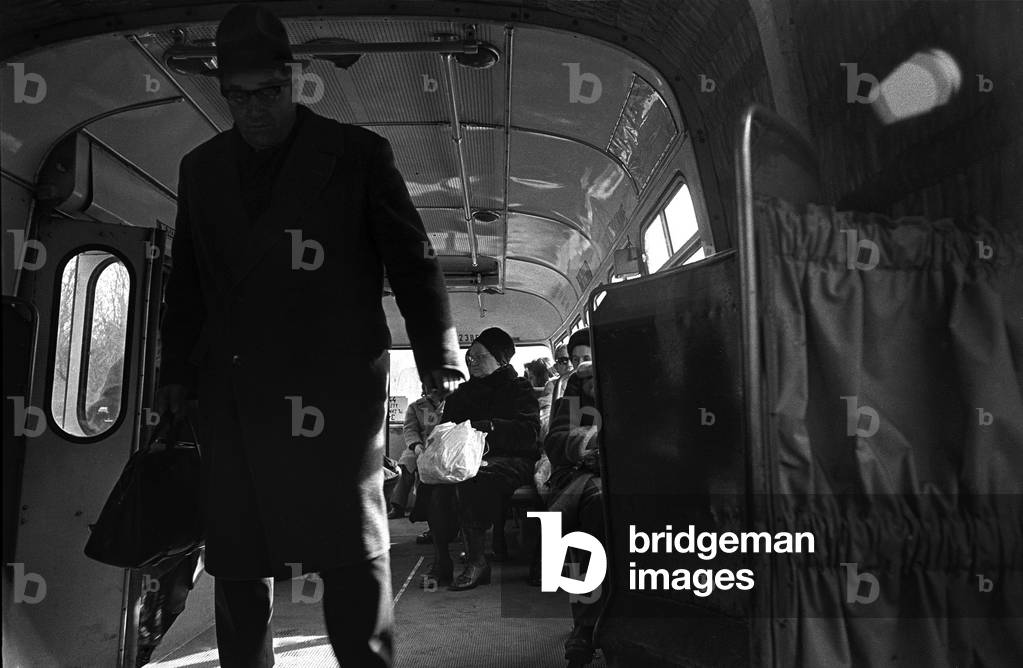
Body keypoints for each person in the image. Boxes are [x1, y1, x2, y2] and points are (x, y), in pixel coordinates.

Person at [154, 5, 462, 667]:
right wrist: (174, 372)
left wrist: (438, 353)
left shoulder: (357, 155)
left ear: (292, 80)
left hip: (333, 387)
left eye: (268, 92)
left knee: (350, 548)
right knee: (239, 555)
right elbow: (189, 283)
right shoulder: (200, 168)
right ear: (223, 91)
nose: (255, 110)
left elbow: (411, 259)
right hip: (235, 387)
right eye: (238, 96)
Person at [414, 327, 540, 590]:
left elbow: (528, 433)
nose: (472, 362)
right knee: (434, 481)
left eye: (479, 357)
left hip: (511, 458)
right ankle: (442, 560)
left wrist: (488, 428)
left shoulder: (519, 388)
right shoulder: (461, 393)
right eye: (469, 357)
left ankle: (477, 561)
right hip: (463, 458)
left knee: (474, 477)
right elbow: (447, 428)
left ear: (500, 359)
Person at [544, 328, 605, 668]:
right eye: (577, 359)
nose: (583, 365)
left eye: (588, 358)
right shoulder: (575, 391)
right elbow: (555, 441)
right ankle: (585, 623)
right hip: (583, 473)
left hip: (635, 469)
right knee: (591, 509)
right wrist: (586, 443)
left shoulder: (635, 380)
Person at [388, 383, 445, 519]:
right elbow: (410, 429)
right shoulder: (415, 406)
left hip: (443, 446)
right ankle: (397, 506)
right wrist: (416, 445)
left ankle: (428, 511)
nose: (434, 392)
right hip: (420, 444)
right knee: (406, 465)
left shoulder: (451, 405)